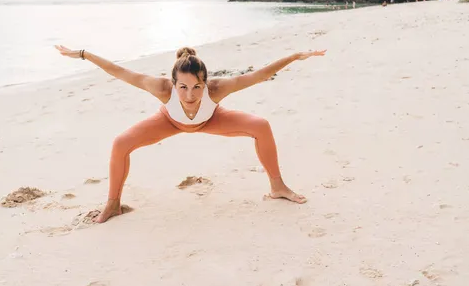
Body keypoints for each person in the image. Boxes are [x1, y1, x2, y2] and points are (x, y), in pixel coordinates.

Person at [55, 45, 327, 223]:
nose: (189, 95)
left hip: (212, 120)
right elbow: (120, 71)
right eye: (182, 87)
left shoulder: (218, 89)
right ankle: (113, 204)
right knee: (120, 143)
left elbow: (258, 75)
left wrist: (292, 57)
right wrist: (83, 54)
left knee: (261, 125)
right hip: (169, 122)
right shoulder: (160, 88)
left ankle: (277, 186)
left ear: (205, 83)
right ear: (173, 84)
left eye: (197, 87)